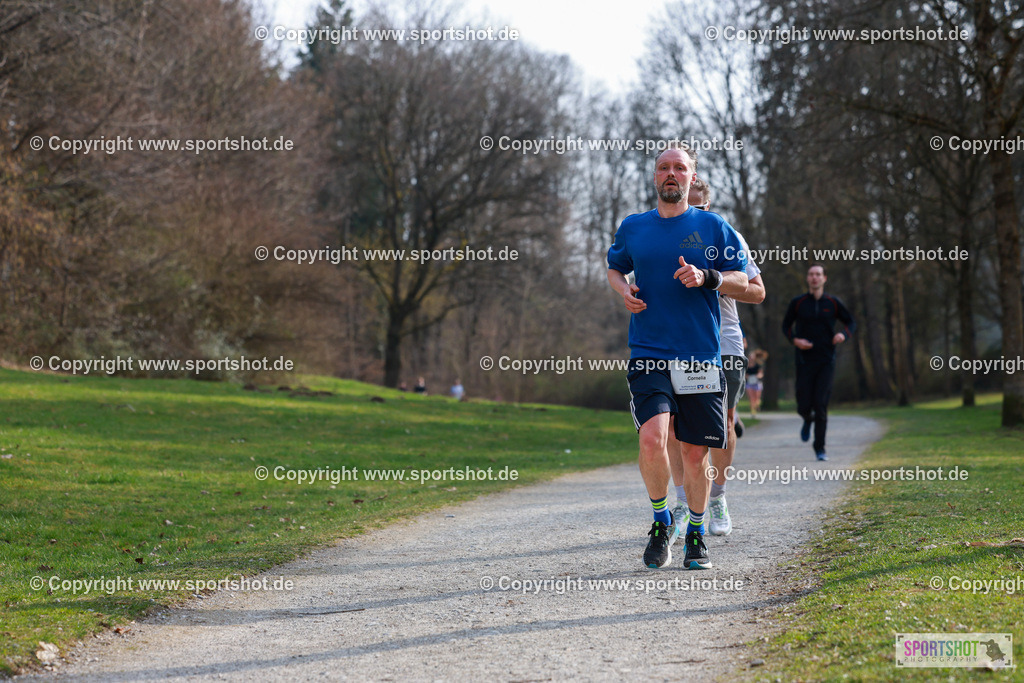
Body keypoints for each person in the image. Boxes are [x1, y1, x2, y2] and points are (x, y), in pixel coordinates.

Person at [607, 147, 750, 570]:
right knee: (652, 439)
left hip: (699, 356)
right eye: (664, 167)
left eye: (680, 168)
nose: (672, 174)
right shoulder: (634, 227)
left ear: (692, 178)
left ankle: (697, 533)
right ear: (655, 177)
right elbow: (615, 267)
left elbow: (745, 280)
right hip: (649, 351)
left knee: (693, 453)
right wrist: (623, 290)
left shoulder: (712, 226)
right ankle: (660, 520)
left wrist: (710, 277)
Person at [668, 176, 765, 538]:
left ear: (707, 207)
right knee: (674, 428)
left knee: (722, 425)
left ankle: (718, 497)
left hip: (723, 346)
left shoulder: (727, 237)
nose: (689, 213)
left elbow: (757, 292)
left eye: (697, 207)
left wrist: (713, 278)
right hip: (675, 345)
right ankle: (683, 501)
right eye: (684, 206)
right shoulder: (662, 234)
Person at [782, 264, 856, 461]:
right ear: (807, 279)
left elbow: (851, 322)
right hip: (804, 361)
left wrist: (842, 334)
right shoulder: (798, 303)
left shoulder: (832, 302)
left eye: (818, 274)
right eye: (811, 274)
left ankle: (820, 448)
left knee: (821, 405)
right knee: (803, 404)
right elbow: (786, 326)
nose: (814, 278)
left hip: (826, 360)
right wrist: (795, 340)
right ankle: (807, 418)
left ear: (824, 278)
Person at [745, 349, 768, 417]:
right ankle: (753, 412)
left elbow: (761, 374)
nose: (751, 358)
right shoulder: (746, 366)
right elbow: (744, 374)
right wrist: (748, 377)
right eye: (750, 357)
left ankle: (757, 405)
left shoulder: (758, 365)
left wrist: (756, 376)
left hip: (757, 383)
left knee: (757, 398)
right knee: (752, 398)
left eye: (752, 357)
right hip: (749, 384)